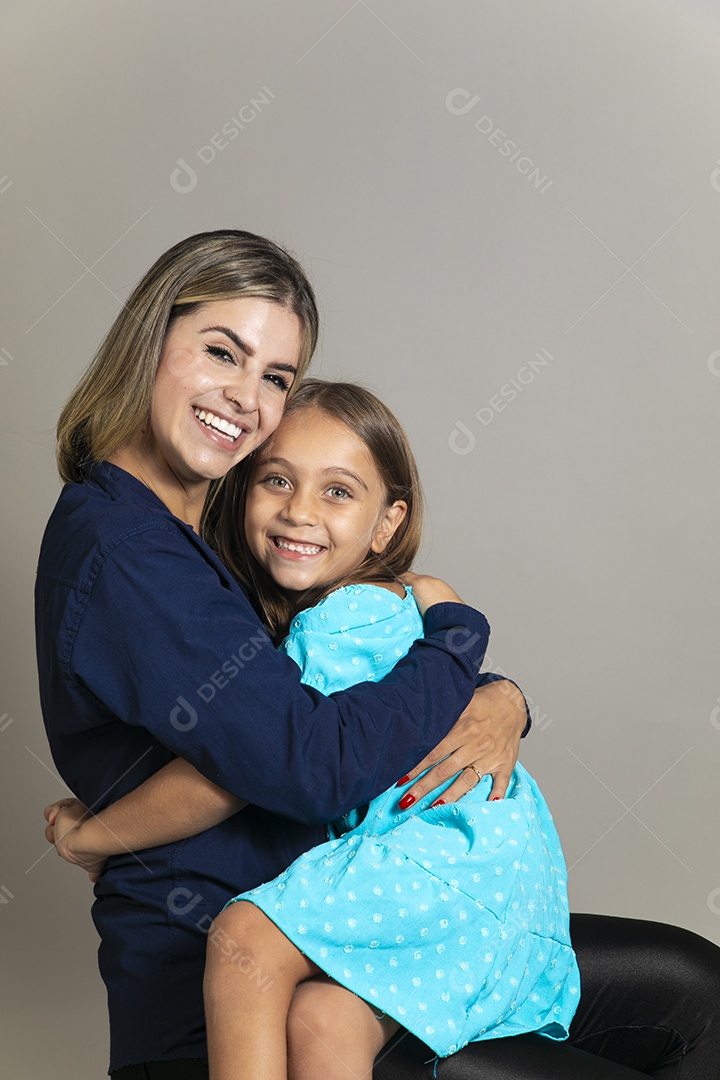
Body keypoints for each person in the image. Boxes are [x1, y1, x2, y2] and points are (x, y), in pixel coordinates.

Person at [40, 230, 720, 1079]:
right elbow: (300, 758)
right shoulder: (133, 554)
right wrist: (461, 640)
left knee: (697, 989)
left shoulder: (197, 548)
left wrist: (496, 694)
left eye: (275, 377)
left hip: (359, 925)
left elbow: (326, 708)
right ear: (151, 339)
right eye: (221, 350)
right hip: (247, 970)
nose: (246, 396)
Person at [46, 379, 581, 1080]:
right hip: (506, 871)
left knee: (247, 939)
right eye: (277, 480)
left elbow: (251, 769)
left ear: (386, 525)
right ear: (243, 491)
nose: (300, 512)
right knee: (324, 1020)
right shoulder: (372, 611)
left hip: (443, 854)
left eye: (337, 492)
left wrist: (94, 833)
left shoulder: (342, 616)